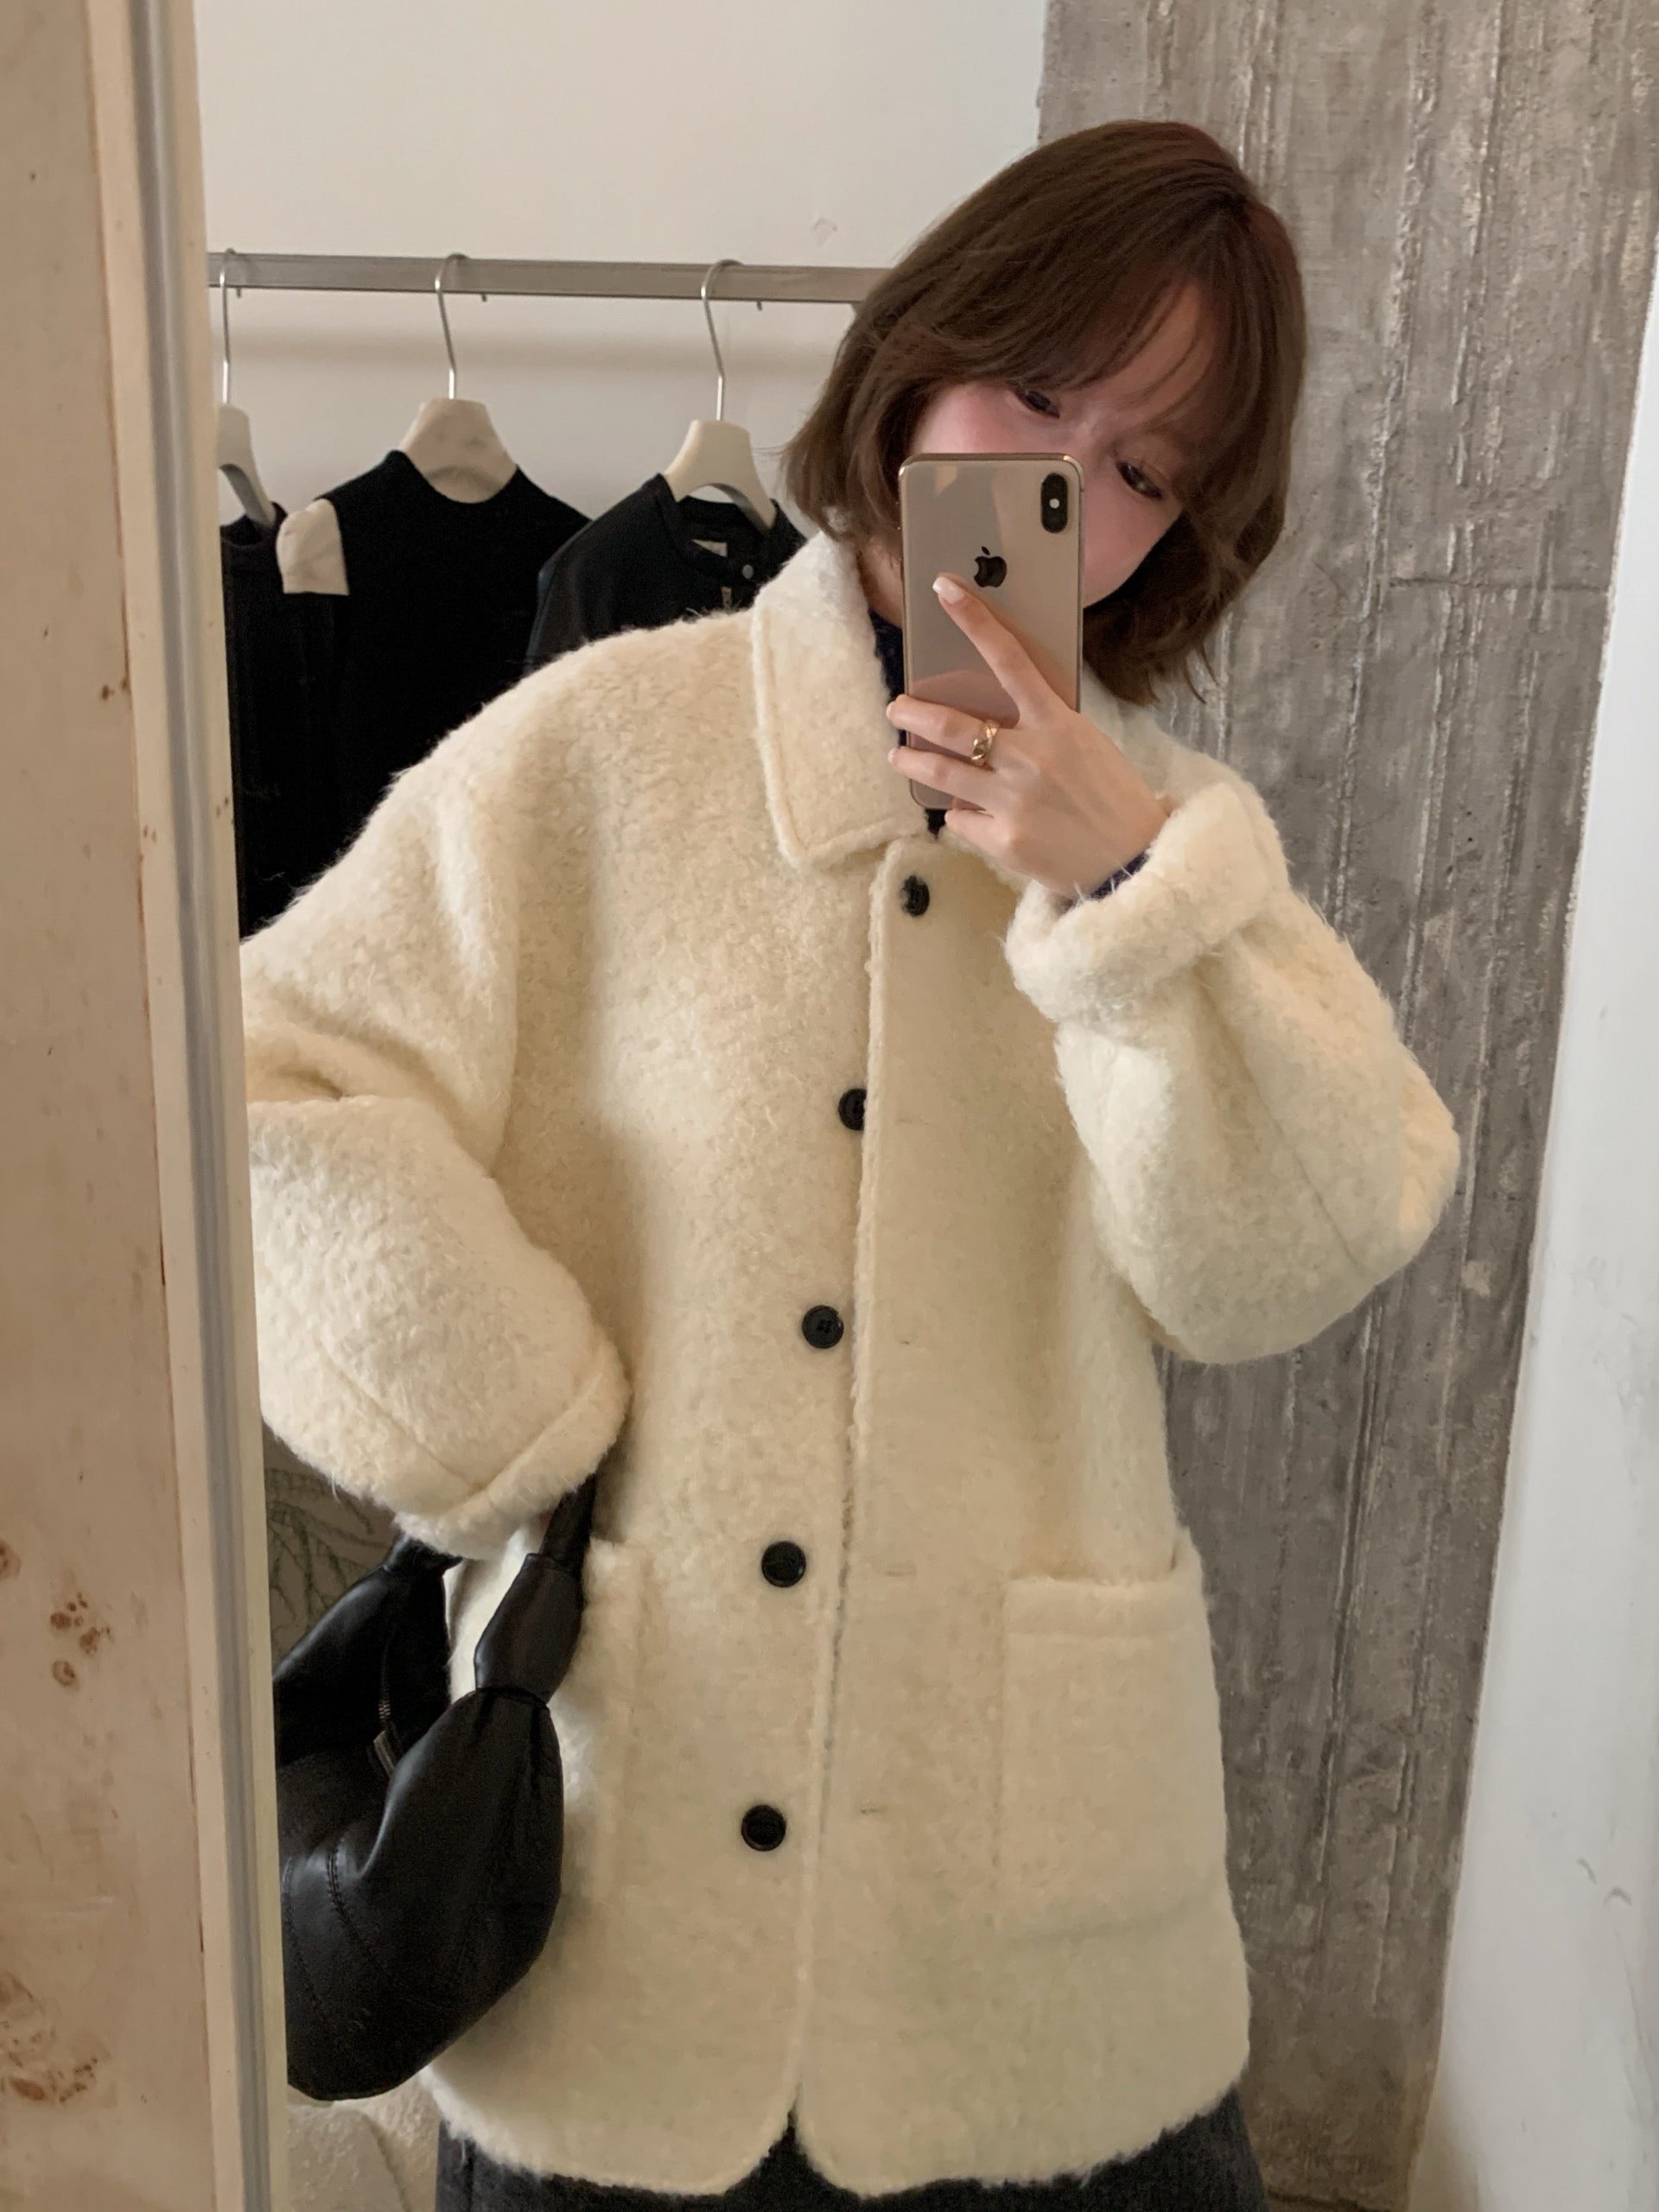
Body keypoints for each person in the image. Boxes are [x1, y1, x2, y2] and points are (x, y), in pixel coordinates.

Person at [241, 120, 1459, 2211]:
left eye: (1145, 467)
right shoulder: (599, 748)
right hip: (618, 1895)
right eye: (1034, 394)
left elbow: (1285, 1249)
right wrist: (519, 1418)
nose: (1063, 485)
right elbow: (265, 1080)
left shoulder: (1171, 838)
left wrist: (1121, 890)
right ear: (917, 363)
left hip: (1037, 1943)